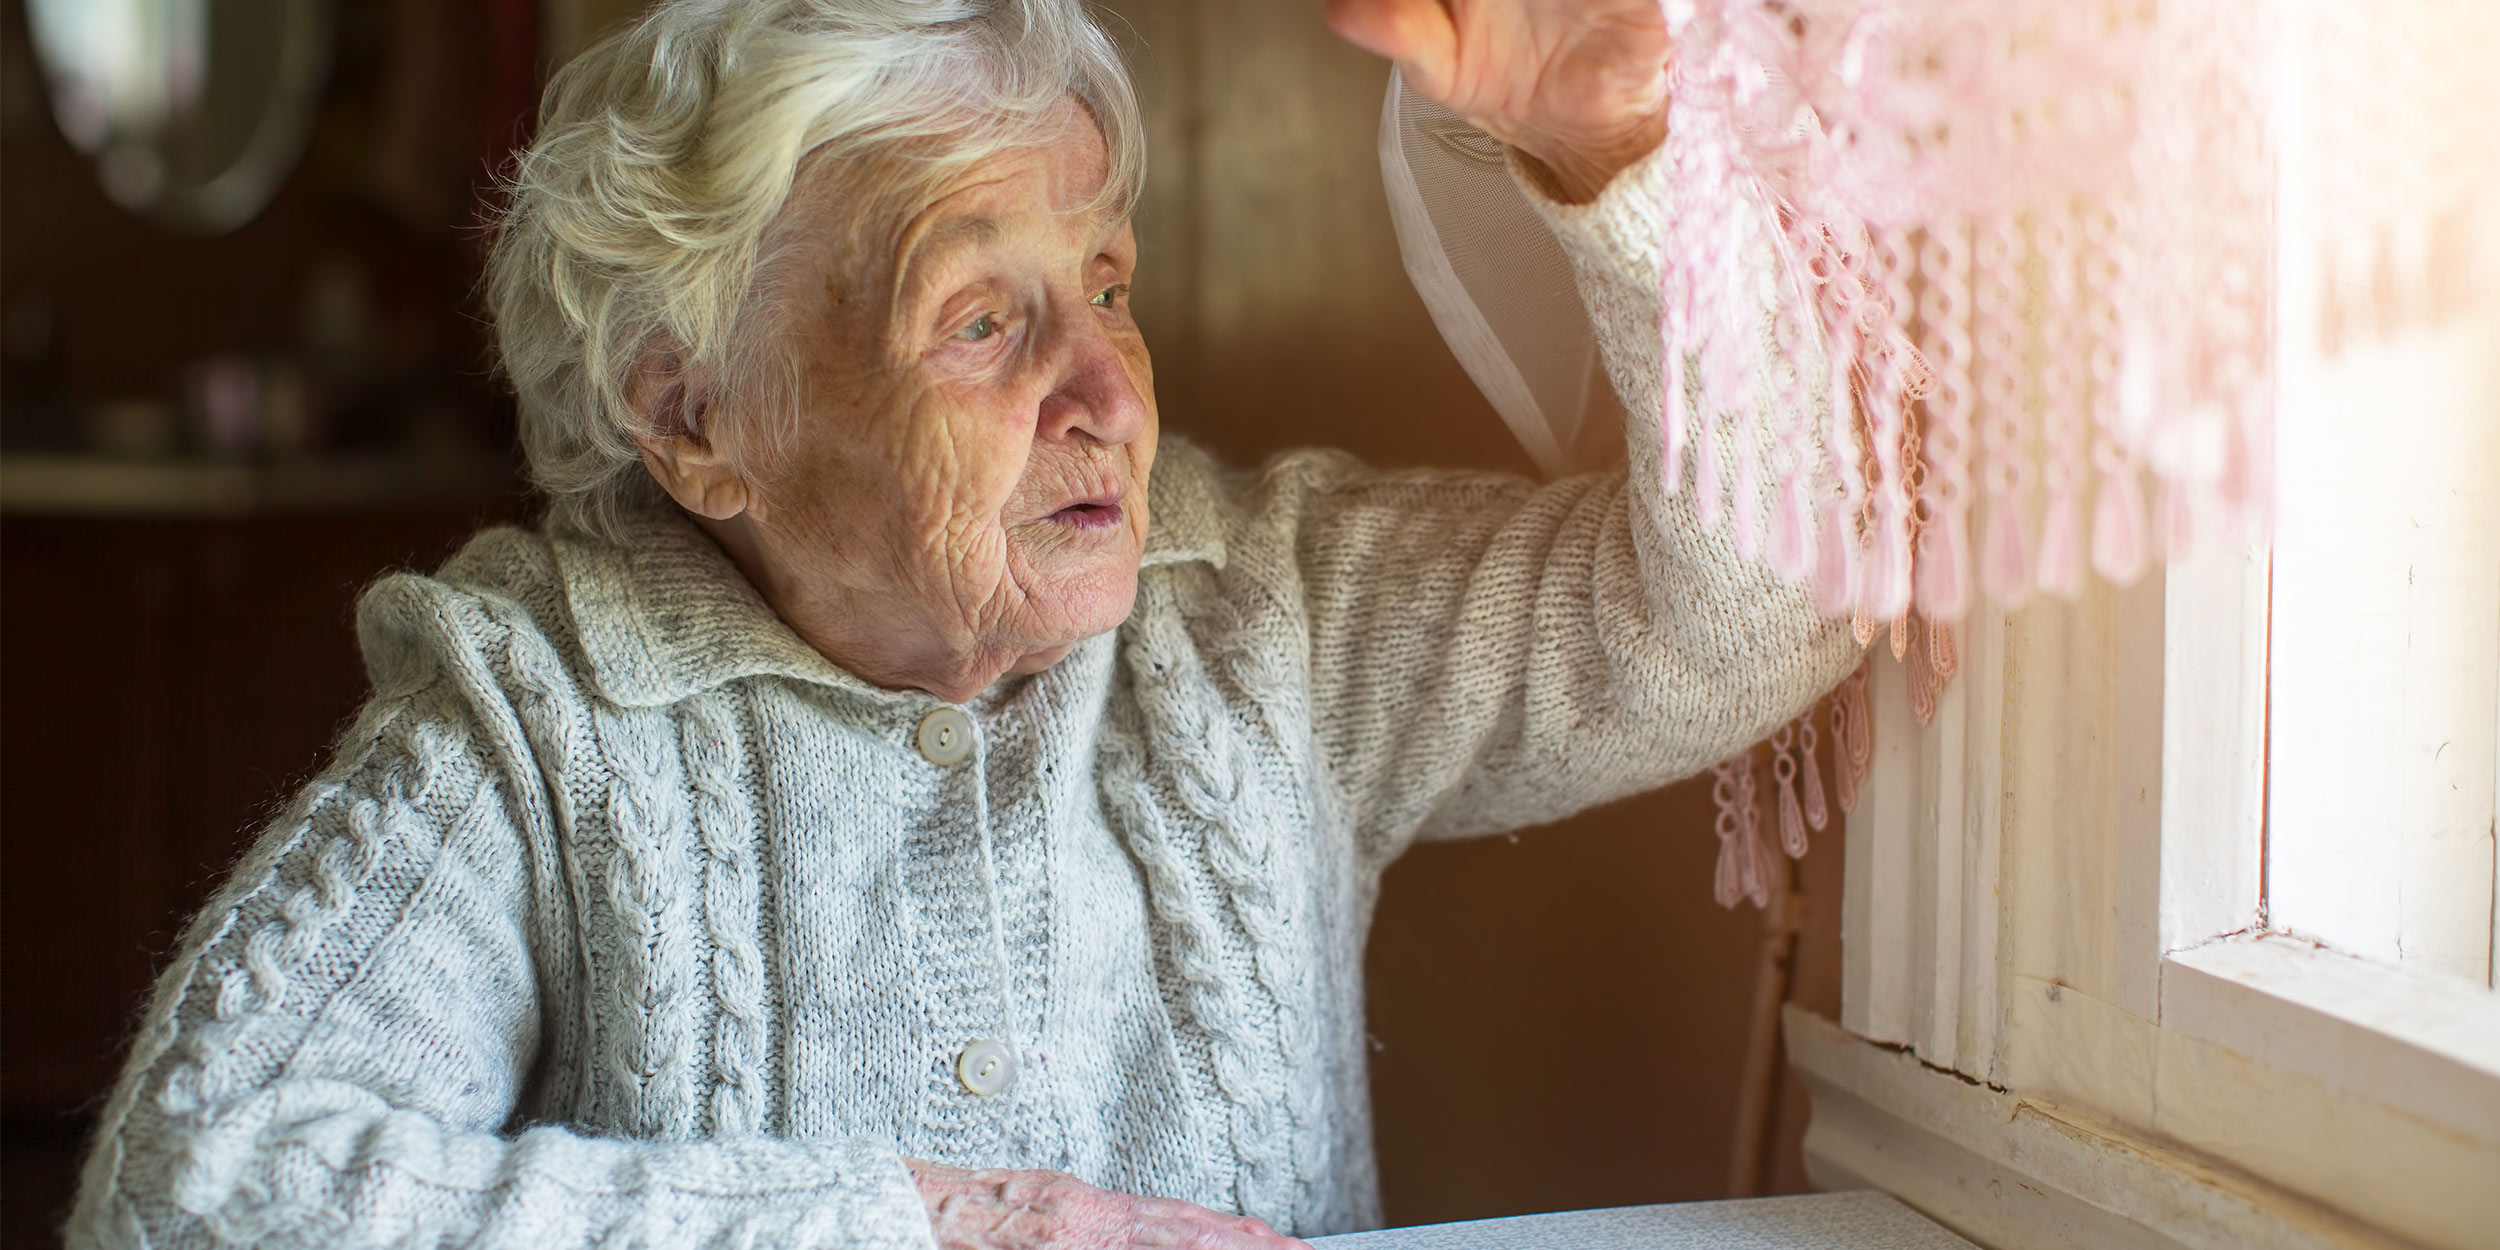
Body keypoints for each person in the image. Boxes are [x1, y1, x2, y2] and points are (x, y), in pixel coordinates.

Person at [68, 1, 1860, 1246]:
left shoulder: (1256, 621)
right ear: (698, 418)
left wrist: (1625, 157)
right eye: (982, 322)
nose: (1109, 391)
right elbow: (197, 1192)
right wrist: (921, 1226)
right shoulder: (541, 709)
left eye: (1105, 284)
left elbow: (1765, 604)